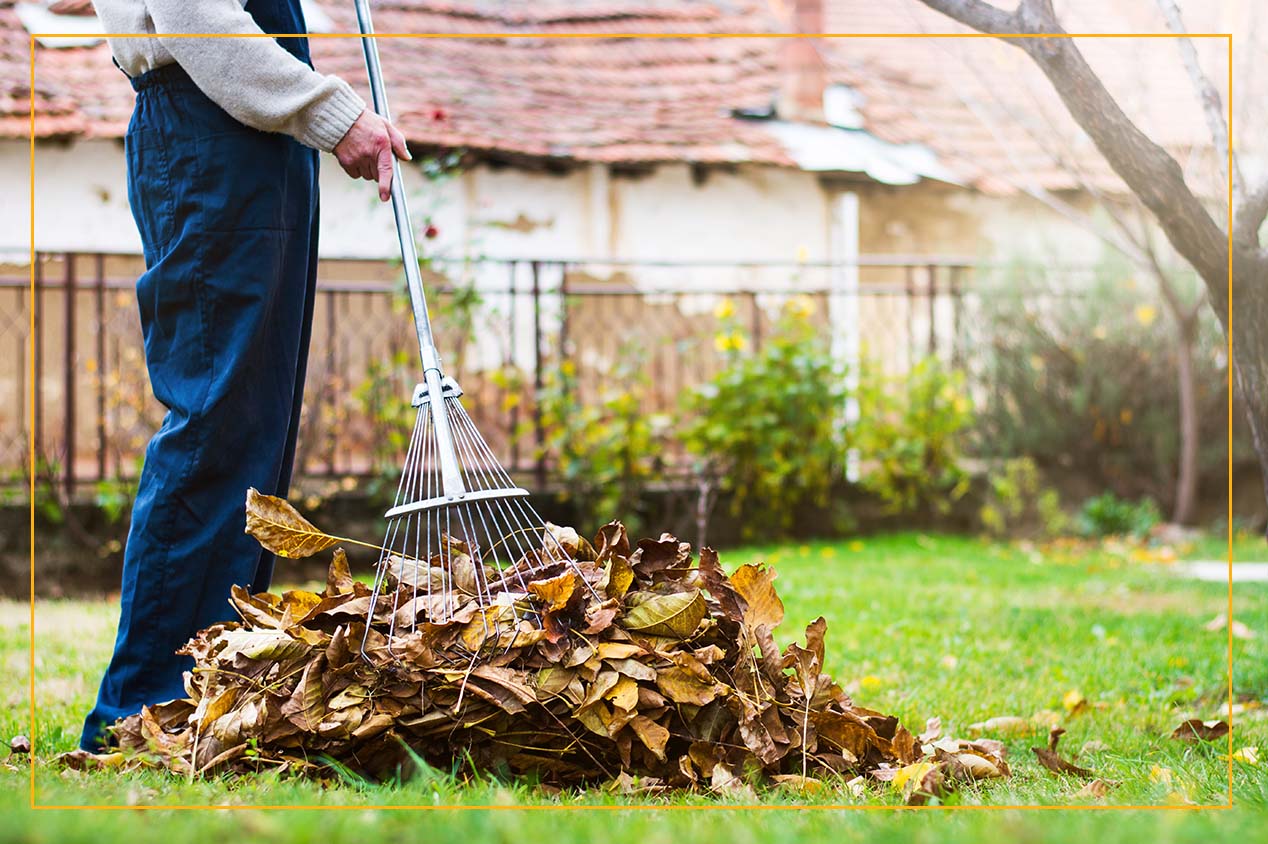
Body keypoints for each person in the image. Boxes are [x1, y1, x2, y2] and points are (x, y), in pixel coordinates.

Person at [80, 0, 409, 751]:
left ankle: (213, 689)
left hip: (253, 142)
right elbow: (196, 14)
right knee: (216, 421)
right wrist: (333, 112)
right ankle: (144, 706)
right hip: (207, 131)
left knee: (256, 432)